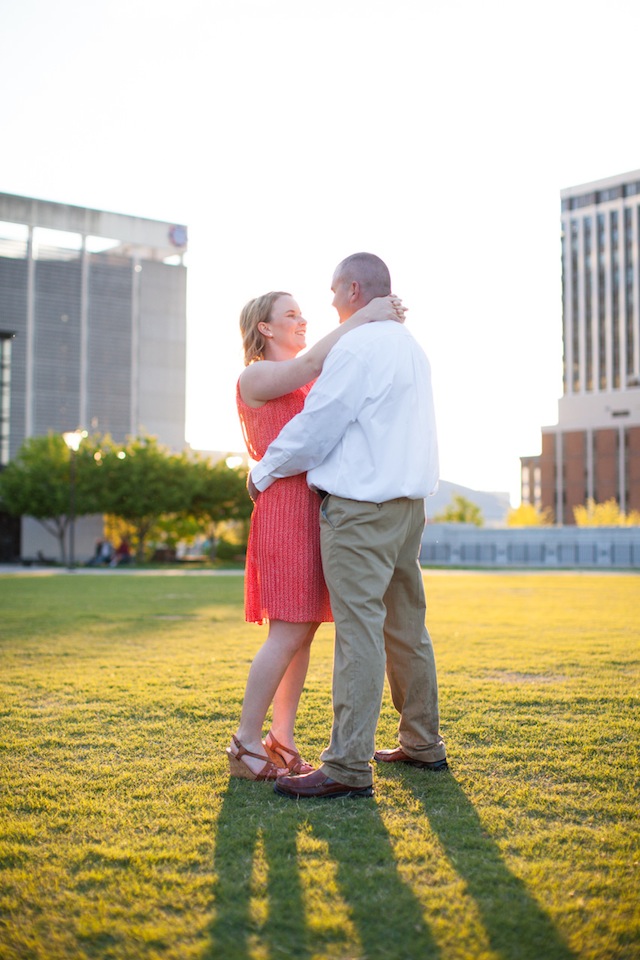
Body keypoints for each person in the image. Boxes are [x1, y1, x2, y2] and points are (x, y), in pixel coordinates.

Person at [248, 253, 446, 799]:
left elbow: (318, 427)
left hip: (361, 512)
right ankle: (422, 742)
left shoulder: (357, 347)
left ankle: (347, 766)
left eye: (335, 290)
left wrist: (263, 470)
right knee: (407, 629)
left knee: (359, 633)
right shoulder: (410, 346)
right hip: (408, 509)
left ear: (354, 289)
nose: (330, 301)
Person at [227, 288, 405, 781]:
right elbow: (310, 363)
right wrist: (365, 313)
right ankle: (245, 742)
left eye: (303, 314)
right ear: (265, 328)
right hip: (284, 509)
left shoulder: (307, 377)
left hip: (316, 506)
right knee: (287, 630)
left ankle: (281, 739)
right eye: (291, 315)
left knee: (303, 631)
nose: (302, 320)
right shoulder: (256, 375)